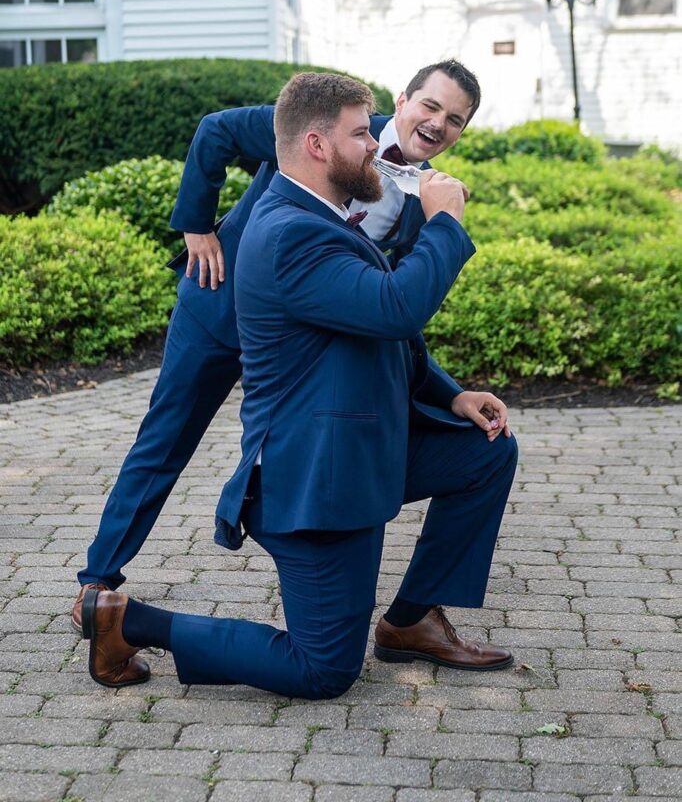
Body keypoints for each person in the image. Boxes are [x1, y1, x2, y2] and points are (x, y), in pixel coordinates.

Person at [81, 71, 517, 696]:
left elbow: (380, 317)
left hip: (309, 337)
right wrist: (197, 225)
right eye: (431, 106)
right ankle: (99, 581)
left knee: (486, 449)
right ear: (403, 100)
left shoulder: (409, 194)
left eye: (455, 121)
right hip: (220, 296)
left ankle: (413, 615)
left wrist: (447, 392)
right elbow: (215, 131)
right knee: (165, 442)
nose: (438, 125)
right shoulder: (321, 121)